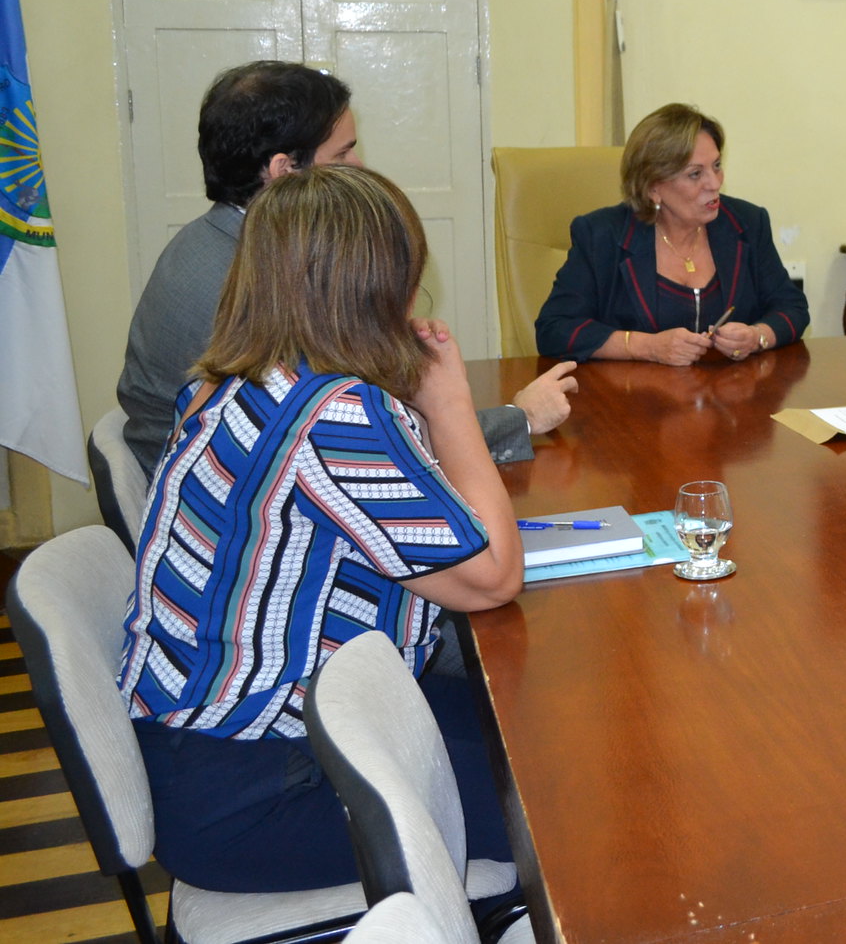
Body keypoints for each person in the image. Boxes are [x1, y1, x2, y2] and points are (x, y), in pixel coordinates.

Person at [118, 166, 523, 892]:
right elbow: (492, 576)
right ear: (372, 287)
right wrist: (451, 404)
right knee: (553, 803)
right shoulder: (334, 415)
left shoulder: (231, 380)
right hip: (261, 788)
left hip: (215, 746)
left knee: (530, 728)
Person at [116, 60, 576, 473]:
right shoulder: (265, 287)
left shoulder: (206, 239)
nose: (358, 165)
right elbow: (363, 445)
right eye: (342, 154)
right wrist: (521, 419)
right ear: (284, 171)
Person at [535, 102, 808, 363]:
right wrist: (648, 347)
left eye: (716, 166)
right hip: (632, 401)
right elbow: (554, 330)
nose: (714, 184)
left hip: (731, 399)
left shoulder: (747, 223)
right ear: (653, 187)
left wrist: (757, 336)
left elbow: (792, 307)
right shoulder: (601, 236)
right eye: (694, 174)